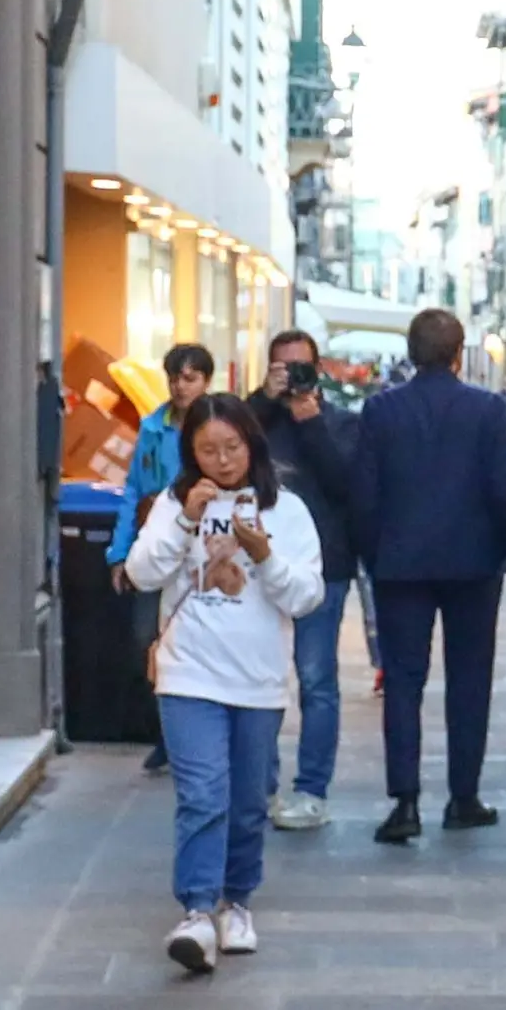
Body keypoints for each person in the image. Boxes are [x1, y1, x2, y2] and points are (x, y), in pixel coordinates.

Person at [121, 390, 326, 973]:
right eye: (207, 450)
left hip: (257, 678)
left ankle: (238, 901)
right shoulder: (174, 502)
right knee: (202, 795)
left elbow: (306, 596)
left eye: (232, 447)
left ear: (251, 444)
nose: (222, 460)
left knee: (246, 802)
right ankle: (196, 910)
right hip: (189, 672)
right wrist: (185, 517)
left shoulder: (286, 509)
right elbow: (141, 573)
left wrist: (264, 557)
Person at [351, 307, 506, 845]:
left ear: (409, 352)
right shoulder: (488, 410)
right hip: (472, 565)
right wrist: (501, 548)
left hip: (400, 565)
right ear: (458, 354)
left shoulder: (380, 411)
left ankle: (404, 802)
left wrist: (376, 553)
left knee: (403, 682)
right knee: (469, 682)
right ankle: (463, 797)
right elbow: (501, 491)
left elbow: (366, 495)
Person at [249, 329, 363, 831]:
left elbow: (347, 485)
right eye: (283, 367)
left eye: (301, 367)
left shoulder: (339, 423)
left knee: (317, 682)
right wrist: (263, 402)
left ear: (317, 372)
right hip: (259, 567)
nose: (293, 376)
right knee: (261, 678)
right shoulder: (254, 425)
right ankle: (262, 785)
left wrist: (312, 424)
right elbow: (225, 455)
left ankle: (312, 789)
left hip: (324, 567)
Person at [108, 344, 218, 772]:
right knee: (146, 639)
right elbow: (133, 490)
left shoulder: (215, 426)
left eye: (189, 377)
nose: (180, 385)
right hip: (156, 545)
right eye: (174, 376)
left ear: (205, 381)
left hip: (201, 550)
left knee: (197, 639)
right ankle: (167, 733)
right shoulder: (153, 428)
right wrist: (119, 552)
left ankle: (192, 734)